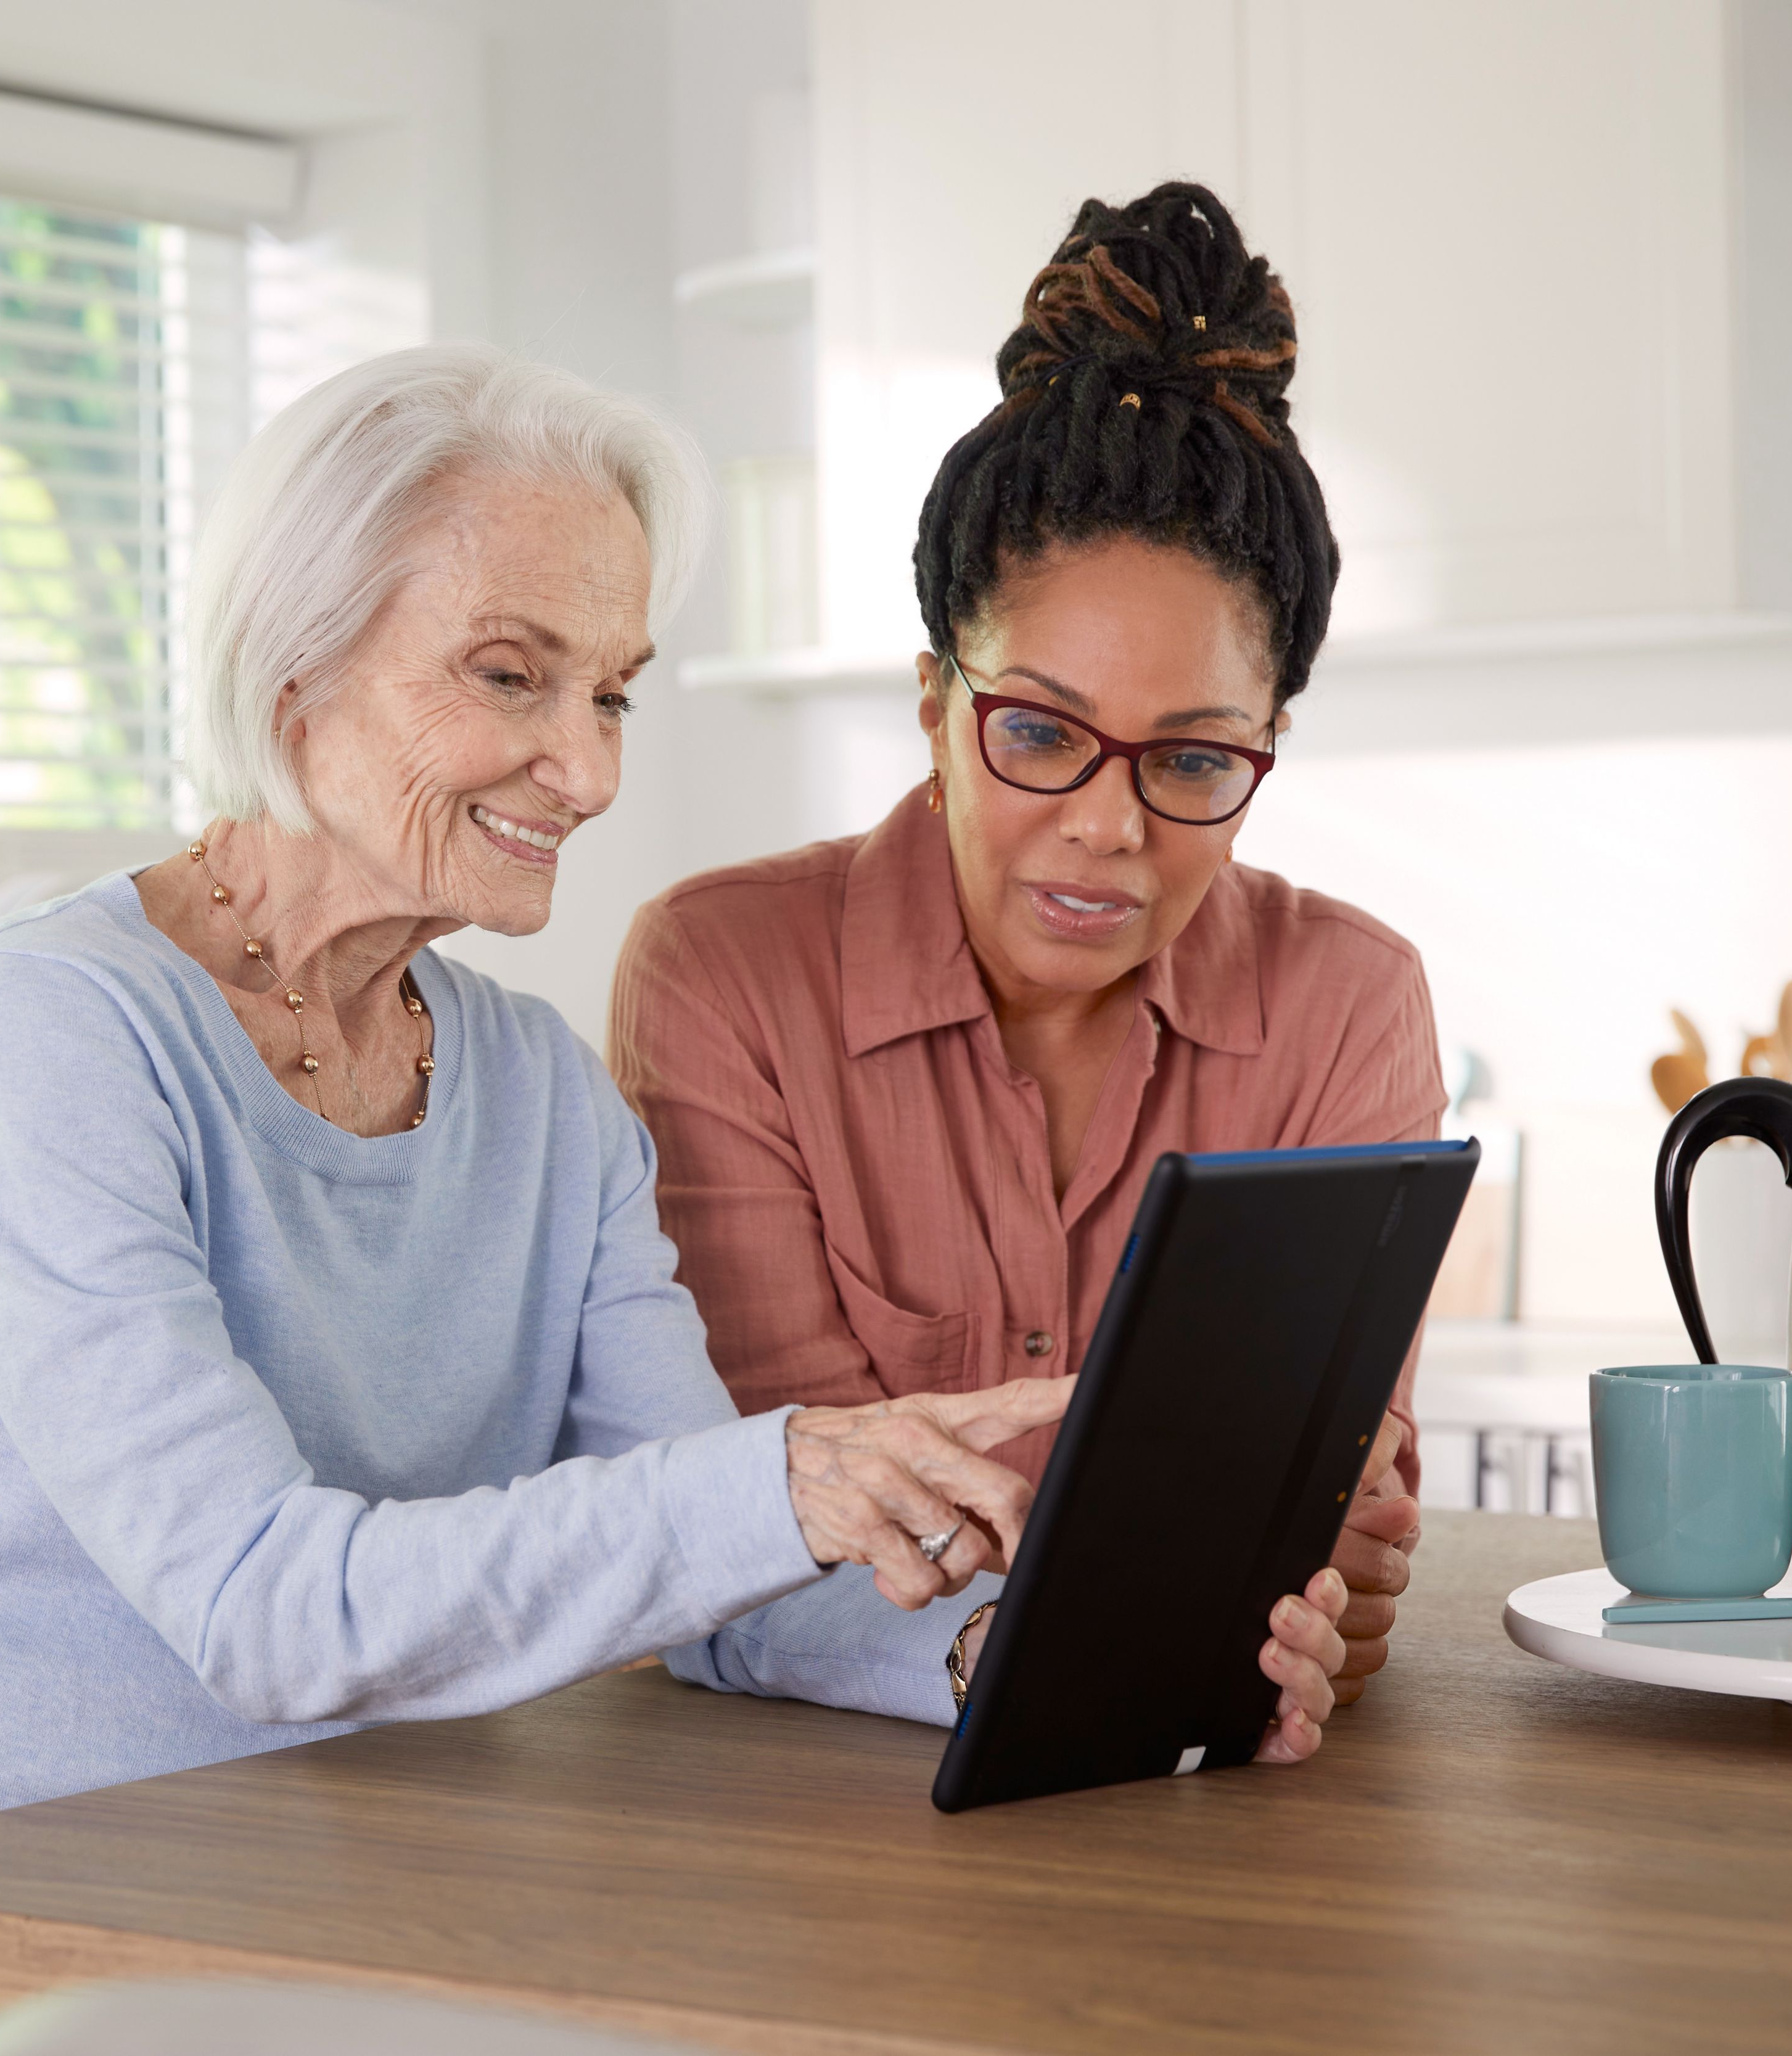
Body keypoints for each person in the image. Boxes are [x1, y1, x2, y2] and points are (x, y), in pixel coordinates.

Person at [0, 345, 1355, 2050]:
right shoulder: (49, 1035)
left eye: (614, 694)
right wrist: (781, 1472)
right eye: (512, 676)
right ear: (297, 665)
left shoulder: (542, 1093)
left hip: (308, 1950)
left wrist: (1028, 1657)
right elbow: (266, 1609)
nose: (590, 769)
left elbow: (722, 1584)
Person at [610, 185, 1440, 1711]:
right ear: (935, 703)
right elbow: (751, 1517)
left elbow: (1349, 1530)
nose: (1108, 826)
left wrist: (1294, 1566)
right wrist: (1179, 1561)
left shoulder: (1348, 1001)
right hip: (799, 1817)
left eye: (1191, 760)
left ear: (1266, 746)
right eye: (1040, 732)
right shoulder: (724, 973)